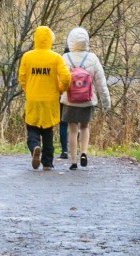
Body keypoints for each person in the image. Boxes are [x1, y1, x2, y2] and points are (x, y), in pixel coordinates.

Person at [16, 25, 70, 171]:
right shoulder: (56, 58)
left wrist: (28, 90)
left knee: (32, 128)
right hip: (50, 100)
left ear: (36, 39)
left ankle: (35, 146)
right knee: (47, 131)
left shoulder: (27, 56)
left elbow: (21, 77)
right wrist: (60, 89)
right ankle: (47, 162)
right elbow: (66, 77)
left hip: (33, 98)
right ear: (50, 40)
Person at [58, 26, 107, 170]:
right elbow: (101, 82)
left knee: (72, 130)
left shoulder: (64, 58)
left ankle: (73, 161)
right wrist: (106, 102)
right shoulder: (92, 58)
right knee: (85, 127)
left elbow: (58, 80)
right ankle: (84, 152)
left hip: (70, 100)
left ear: (70, 41)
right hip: (87, 100)